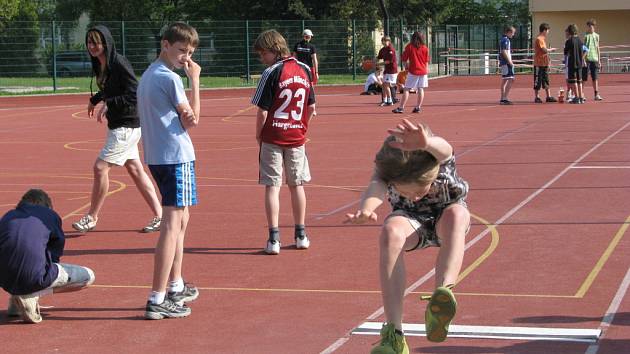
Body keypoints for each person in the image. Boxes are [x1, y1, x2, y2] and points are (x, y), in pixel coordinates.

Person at [345, 119, 470, 353]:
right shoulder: (390, 170)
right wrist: (367, 209)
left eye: (420, 191)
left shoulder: (439, 160)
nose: (414, 197)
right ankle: (394, 333)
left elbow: (445, 149)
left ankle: (442, 295)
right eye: (406, 192)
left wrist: (427, 142)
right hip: (413, 221)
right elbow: (376, 187)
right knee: (390, 231)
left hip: (446, 218)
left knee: (457, 214)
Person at [137, 22, 201, 319]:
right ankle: (158, 296)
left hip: (158, 156)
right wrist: (195, 81)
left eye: (189, 53)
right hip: (175, 155)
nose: (185, 58)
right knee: (172, 225)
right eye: (181, 51)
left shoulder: (149, 75)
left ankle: (174, 285)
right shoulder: (171, 79)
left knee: (181, 219)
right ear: (165, 44)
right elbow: (193, 120)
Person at [72, 25, 162, 234]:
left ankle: (91, 217)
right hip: (119, 125)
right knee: (135, 170)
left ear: (106, 43)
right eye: (89, 42)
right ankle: (160, 215)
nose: (91, 46)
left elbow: (134, 92)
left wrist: (109, 104)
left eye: (95, 42)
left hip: (127, 125)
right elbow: (109, 88)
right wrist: (95, 100)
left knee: (100, 168)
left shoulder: (119, 63)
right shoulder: (100, 64)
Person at [252, 29, 316, 255]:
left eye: (263, 54)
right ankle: (300, 234)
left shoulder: (271, 72)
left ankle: (274, 238)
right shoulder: (304, 69)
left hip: (273, 136)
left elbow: (262, 111)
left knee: (272, 186)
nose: (262, 59)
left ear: (273, 50)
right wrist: (302, 128)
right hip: (297, 136)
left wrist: (259, 135)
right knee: (296, 185)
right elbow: (310, 107)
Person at [0, 189, 95, 324]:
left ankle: (17, 297)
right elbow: (56, 251)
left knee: (17, 260)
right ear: (47, 206)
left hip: (4, 278)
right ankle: (30, 295)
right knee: (88, 276)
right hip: (32, 275)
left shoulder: (8, 215)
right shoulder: (50, 215)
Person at [393, 31, 429, 114]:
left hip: (414, 71)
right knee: (420, 88)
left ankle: (401, 107)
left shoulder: (409, 46)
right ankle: (418, 107)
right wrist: (426, 70)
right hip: (423, 71)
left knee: (407, 89)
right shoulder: (425, 47)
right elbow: (426, 61)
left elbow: (404, 59)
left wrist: (407, 66)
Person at [533, 23, 557, 103]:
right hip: (539, 63)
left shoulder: (542, 39)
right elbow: (544, 50)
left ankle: (548, 96)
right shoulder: (539, 39)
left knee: (546, 79)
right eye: (547, 31)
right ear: (544, 30)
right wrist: (551, 50)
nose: (548, 32)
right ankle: (537, 97)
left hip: (544, 63)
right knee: (537, 80)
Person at [583, 19, 603, 101]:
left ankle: (596, 94)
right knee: (584, 77)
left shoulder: (597, 36)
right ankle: (582, 93)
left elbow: (598, 48)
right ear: (587, 27)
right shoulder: (586, 36)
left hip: (594, 59)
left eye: (592, 26)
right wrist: (583, 59)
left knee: (595, 77)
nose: (591, 28)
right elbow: (584, 48)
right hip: (587, 59)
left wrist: (599, 60)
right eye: (590, 26)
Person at [564, 24, 585, 104]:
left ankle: (576, 97)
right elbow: (584, 50)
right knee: (580, 81)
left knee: (573, 81)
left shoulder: (569, 41)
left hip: (572, 63)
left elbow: (566, 52)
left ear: (570, 32)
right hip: (579, 63)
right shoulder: (580, 40)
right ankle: (581, 97)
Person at [377, 36, 398, 107]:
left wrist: (378, 64)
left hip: (392, 70)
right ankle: (385, 100)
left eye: (386, 41)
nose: (384, 42)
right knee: (383, 86)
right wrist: (372, 61)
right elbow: (378, 57)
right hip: (387, 70)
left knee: (386, 85)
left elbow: (388, 62)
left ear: (389, 41)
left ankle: (390, 101)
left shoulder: (391, 50)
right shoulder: (383, 49)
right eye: (383, 41)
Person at [499, 26, 516, 105]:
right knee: (511, 79)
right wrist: (510, 62)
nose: (513, 35)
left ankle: (503, 98)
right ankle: (504, 98)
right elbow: (504, 51)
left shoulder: (503, 39)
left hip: (504, 63)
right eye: (513, 33)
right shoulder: (506, 40)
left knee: (505, 80)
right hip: (506, 63)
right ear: (509, 32)